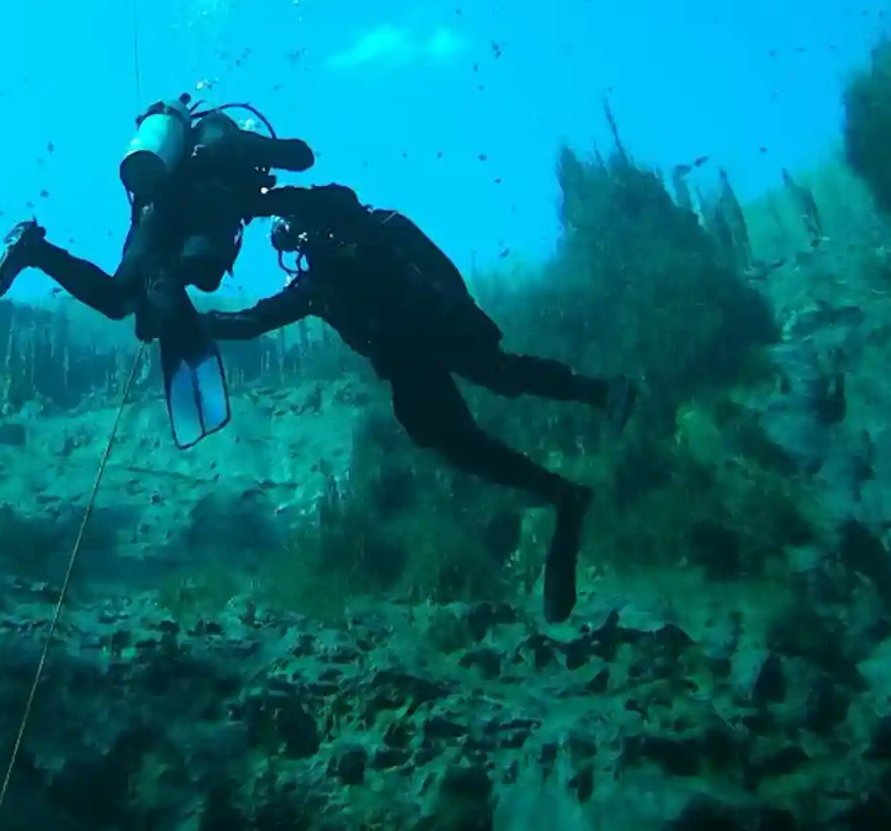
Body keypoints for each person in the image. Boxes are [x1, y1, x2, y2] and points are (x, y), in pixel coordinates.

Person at [198, 183, 633, 623]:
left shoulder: (368, 228)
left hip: (439, 328)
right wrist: (197, 322)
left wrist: (255, 196)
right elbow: (253, 321)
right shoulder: (320, 283)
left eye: (304, 234)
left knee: (500, 381)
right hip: (413, 359)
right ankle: (566, 488)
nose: (309, 246)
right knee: (464, 435)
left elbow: (422, 262)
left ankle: (596, 411)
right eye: (299, 243)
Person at [0, 94, 315, 447]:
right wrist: (249, 155)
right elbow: (302, 155)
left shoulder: (174, 159)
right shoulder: (232, 145)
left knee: (119, 299)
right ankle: (169, 306)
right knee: (200, 273)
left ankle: (33, 249)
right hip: (196, 218)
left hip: (153, 219)